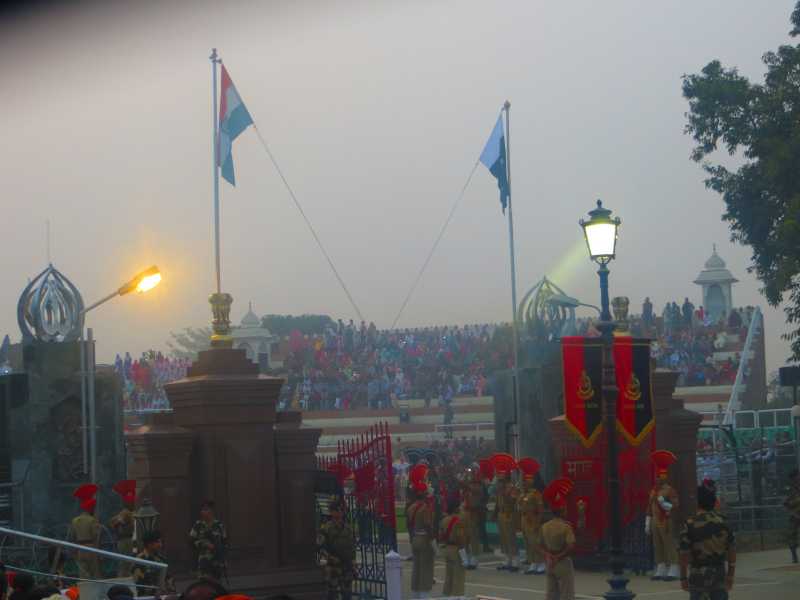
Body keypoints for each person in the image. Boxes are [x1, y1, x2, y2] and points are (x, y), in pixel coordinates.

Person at [679, 484, 736, 600]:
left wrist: (683, 578)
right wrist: (730, 575)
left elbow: (683, 555)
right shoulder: (724, 523)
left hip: (697, 577)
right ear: (714, 502)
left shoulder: (689, 525)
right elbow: (732, 552)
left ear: (697, 503)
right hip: (719, 575)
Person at [539, 477, 575, 600]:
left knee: (551, 594)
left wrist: (549, 556)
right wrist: (558, 557)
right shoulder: (566, 527)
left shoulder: (545, 526)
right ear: (563, 509)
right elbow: (571, 546)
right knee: (567, 593)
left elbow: (539, 545)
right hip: (563, 562)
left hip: (549, 563)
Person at [647, 450, 680, 581]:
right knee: (657, 544)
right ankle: (661, 567)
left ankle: (673, 567)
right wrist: (647, 521)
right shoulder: (653, 491)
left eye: (659, 476)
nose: (657, 479)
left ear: (664, 477)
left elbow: (676, 505)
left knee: (668, 543)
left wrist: (664, 503)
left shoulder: (669, 490)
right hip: (655, 520)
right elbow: (648, 506)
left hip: (666, 519)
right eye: (656, 476)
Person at [318, 498, 355, 600]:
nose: (340, 512)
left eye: (342, 510)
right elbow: (321, 548)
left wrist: (353, 560)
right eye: (337, 510)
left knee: (347, 595)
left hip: (346, 567)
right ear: (332, 512)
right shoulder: (326, 528)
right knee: (332, 595)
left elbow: (352, 546)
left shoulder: (348, 528)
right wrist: (330, 558)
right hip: (333, 568)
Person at [406, 464, 435, 599]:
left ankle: (415, 594)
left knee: (416, 568)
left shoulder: (411, 507)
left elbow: (409, 526)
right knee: (425, 568)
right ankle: (423, 595)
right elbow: (428, 525)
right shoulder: (425, 508)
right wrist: (433, 541)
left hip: (415, 538)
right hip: (424, 539)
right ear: (423, 493)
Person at [492, 453, 520, 572]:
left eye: (501, 476)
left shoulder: (511, 487)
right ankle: (506, 559)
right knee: (503, 537)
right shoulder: (499, 487)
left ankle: (515, 561)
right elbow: (498, 502)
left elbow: (514, 501)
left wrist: (506, 493)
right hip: (501, 514)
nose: (499, 478)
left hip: (509, 514)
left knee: (510, 537)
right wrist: (495, 513)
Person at [517, 458, 545, 575]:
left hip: (533, 519)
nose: (524, 482)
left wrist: (538, 522)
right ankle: (533, 562)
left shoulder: (536, 494)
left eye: (526, 480)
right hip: (525, 519)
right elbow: (519, 505)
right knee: (528, 542)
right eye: (523, 480)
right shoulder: (524, 493)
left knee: (535, 541)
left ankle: (541, 563)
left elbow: (540, 510)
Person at [189, 500, 228, 582]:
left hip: (216, 562)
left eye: (206, 509)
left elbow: (225, 542)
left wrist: (222, 556)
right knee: (204, 586)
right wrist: (203, 544)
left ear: (211, 511)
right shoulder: (198, 525)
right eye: (202, 510)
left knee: (216, 586)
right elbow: (191, 541)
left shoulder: (219, 525)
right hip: (204, 562)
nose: (203, 512)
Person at [69, 484, 101, 580]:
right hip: (91, 548)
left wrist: (74, 551)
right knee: (94, 574)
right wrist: (99, 552)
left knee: (83, 574)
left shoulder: (75, 521)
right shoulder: (93, 520)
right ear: (90, 508)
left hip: (80, 549)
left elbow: (72, 537)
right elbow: (96, 537)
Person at [439, 496, 467, 597]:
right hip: (456, 549)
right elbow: (460, 538)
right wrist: (464, 555)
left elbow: (440, 536)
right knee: (458, 576)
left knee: (449, 575)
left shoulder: (444, 520)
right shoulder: (458, 520)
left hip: (447, 548)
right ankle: (457, 596)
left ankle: (447, 595)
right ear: (456, 508)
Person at [132, 530, 174, 595]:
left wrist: (170, 591)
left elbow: (169, 578)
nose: (160, 545)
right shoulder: (139, 560)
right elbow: (138, 583)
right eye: (157, 542)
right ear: (149, 544)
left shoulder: (161, 559)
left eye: (161, 542)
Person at [109, 480, 136, 577]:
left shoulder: (130, 512)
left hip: (127, 540)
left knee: (127, 564)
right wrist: (120, 523)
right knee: (125, 564)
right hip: (125, 540)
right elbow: (114, 522)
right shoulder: (126, 512)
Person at [462, 463, 484, 569]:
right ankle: (468, 556)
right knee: (466, 535)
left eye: (474, 470)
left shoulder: (479, 483)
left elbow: (477, 491)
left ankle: (475, 557)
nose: (472, 472)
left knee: (473, 535)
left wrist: (468, 485)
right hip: (466, 510)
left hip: (474, 511)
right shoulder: (468, 483)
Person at [784, 468, 800, 564]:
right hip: (794, 516)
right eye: (795, 477)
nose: (797, 478)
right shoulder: (789, 489)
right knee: (791, 535)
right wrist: (793, 513)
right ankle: (794, 556)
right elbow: (785, 504)